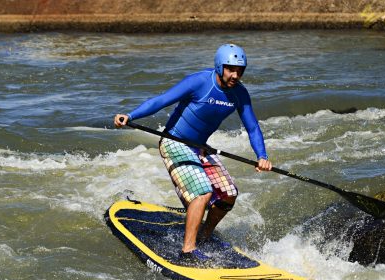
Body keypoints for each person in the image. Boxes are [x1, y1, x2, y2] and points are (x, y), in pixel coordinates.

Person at [114, 43, 272, 264]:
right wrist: (131, 116)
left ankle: (204, 236)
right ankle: (188, 250)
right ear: (219, 66)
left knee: (229, 193)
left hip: (200, 147)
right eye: (230, 69)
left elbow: (253, 127)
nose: (235, 75)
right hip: (174, 142)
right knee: (202, 192)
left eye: (240, 70)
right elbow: (161, 101)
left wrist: (262, 156)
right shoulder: (199, 82)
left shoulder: (240, 94)